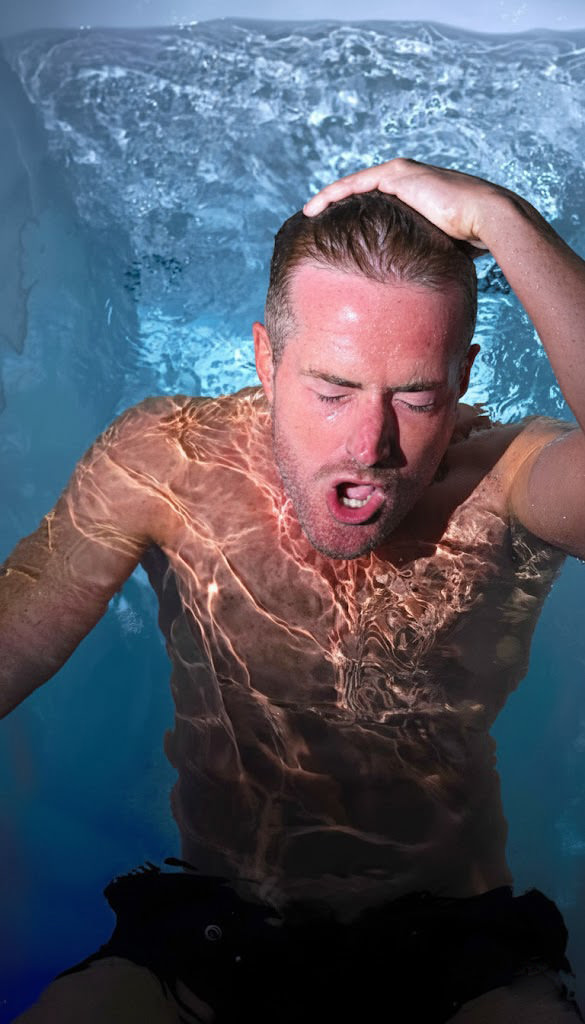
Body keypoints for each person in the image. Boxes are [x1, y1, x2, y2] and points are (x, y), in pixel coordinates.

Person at [2, 158, 585, 1023]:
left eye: (415, 396)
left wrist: (501, 218)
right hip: (215, 920)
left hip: (453, 936)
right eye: (332, 390)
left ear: (463, 375)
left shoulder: (504, 484)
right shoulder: (169, 463)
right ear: (266, 359)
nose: (370, 445)